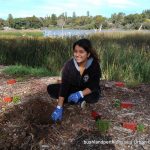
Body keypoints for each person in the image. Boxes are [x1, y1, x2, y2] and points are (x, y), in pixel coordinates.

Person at [47, 38, 102, 122]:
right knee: (51, 89)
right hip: (73, 88)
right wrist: (59, 107)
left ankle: (75, 98)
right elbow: (64, 85)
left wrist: (80, 94)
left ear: (88, 54)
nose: (77, 54)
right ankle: (74, 100)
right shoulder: (69, 65)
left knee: (95, 96)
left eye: (81, 52)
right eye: (75, 51)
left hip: (86, 90)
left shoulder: (94, 65)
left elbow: (94, 84)